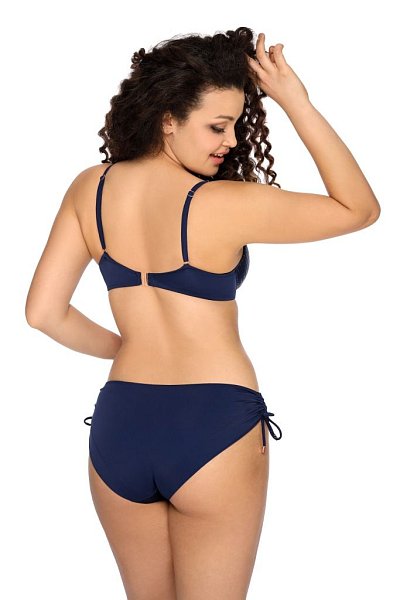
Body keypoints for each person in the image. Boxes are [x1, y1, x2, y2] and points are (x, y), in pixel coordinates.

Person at [25, 26, 380, 600]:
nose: (231, 141)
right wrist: (295, 101)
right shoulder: (222, 204)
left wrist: (127, 348)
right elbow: (358, 209)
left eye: (237, 125)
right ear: (168, 118)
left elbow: (43, 312)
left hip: (122, 422)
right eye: (218, 126)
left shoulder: (89, 189)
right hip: (212, 423)